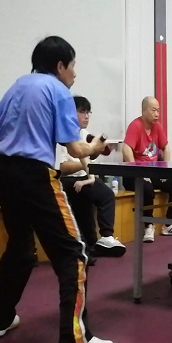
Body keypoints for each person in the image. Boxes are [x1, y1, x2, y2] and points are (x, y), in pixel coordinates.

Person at [0, 36, 114, 343]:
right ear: (60, 66)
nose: (75, 73)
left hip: (5, 173)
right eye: (73, 66)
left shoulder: (18, 85)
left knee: (20, 248)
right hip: (35, 175)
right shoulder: (59, 90)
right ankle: (73, 340)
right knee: (74, 254)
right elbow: (76, 149)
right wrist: (96, 147)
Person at [57, 95, 126, 264]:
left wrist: (97, 150)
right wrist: (86, 163)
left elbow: (90, 156)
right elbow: (63, 167)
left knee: (97, 197)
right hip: (64, 180)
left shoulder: (84, 133)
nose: (86, 116)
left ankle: (99, 242)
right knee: (95, 197)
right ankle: (95, 243)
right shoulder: (61, 134)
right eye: (82, 111)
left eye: (88, 112)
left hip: (82, 178)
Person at [121, 96, 172, 242]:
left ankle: (169, 224)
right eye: (153, 110)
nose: (157, 114)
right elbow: (126, 149)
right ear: (144, 111)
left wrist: (166, 170)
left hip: (154, 172)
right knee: (147, 188)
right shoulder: (135, 126)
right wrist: (136, 171)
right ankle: (148, 226)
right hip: (133, 174)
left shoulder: (157, 127)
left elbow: (166, 147)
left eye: (158, 110)